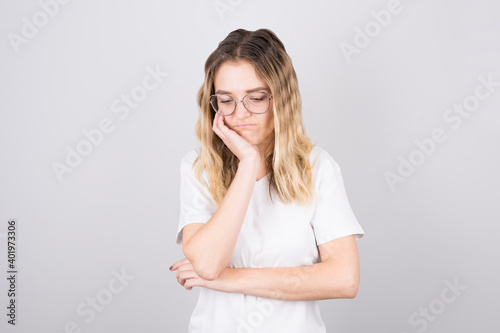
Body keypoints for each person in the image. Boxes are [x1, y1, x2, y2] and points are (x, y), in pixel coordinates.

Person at [169, 28, 365, 333]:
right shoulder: (198, 168)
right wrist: (248, 163)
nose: (240, 114)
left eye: (256, 98)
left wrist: (228, 279)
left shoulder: (318, 168)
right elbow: (207, 264)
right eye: (226, 100)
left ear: (281, 98)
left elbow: (344, 278)